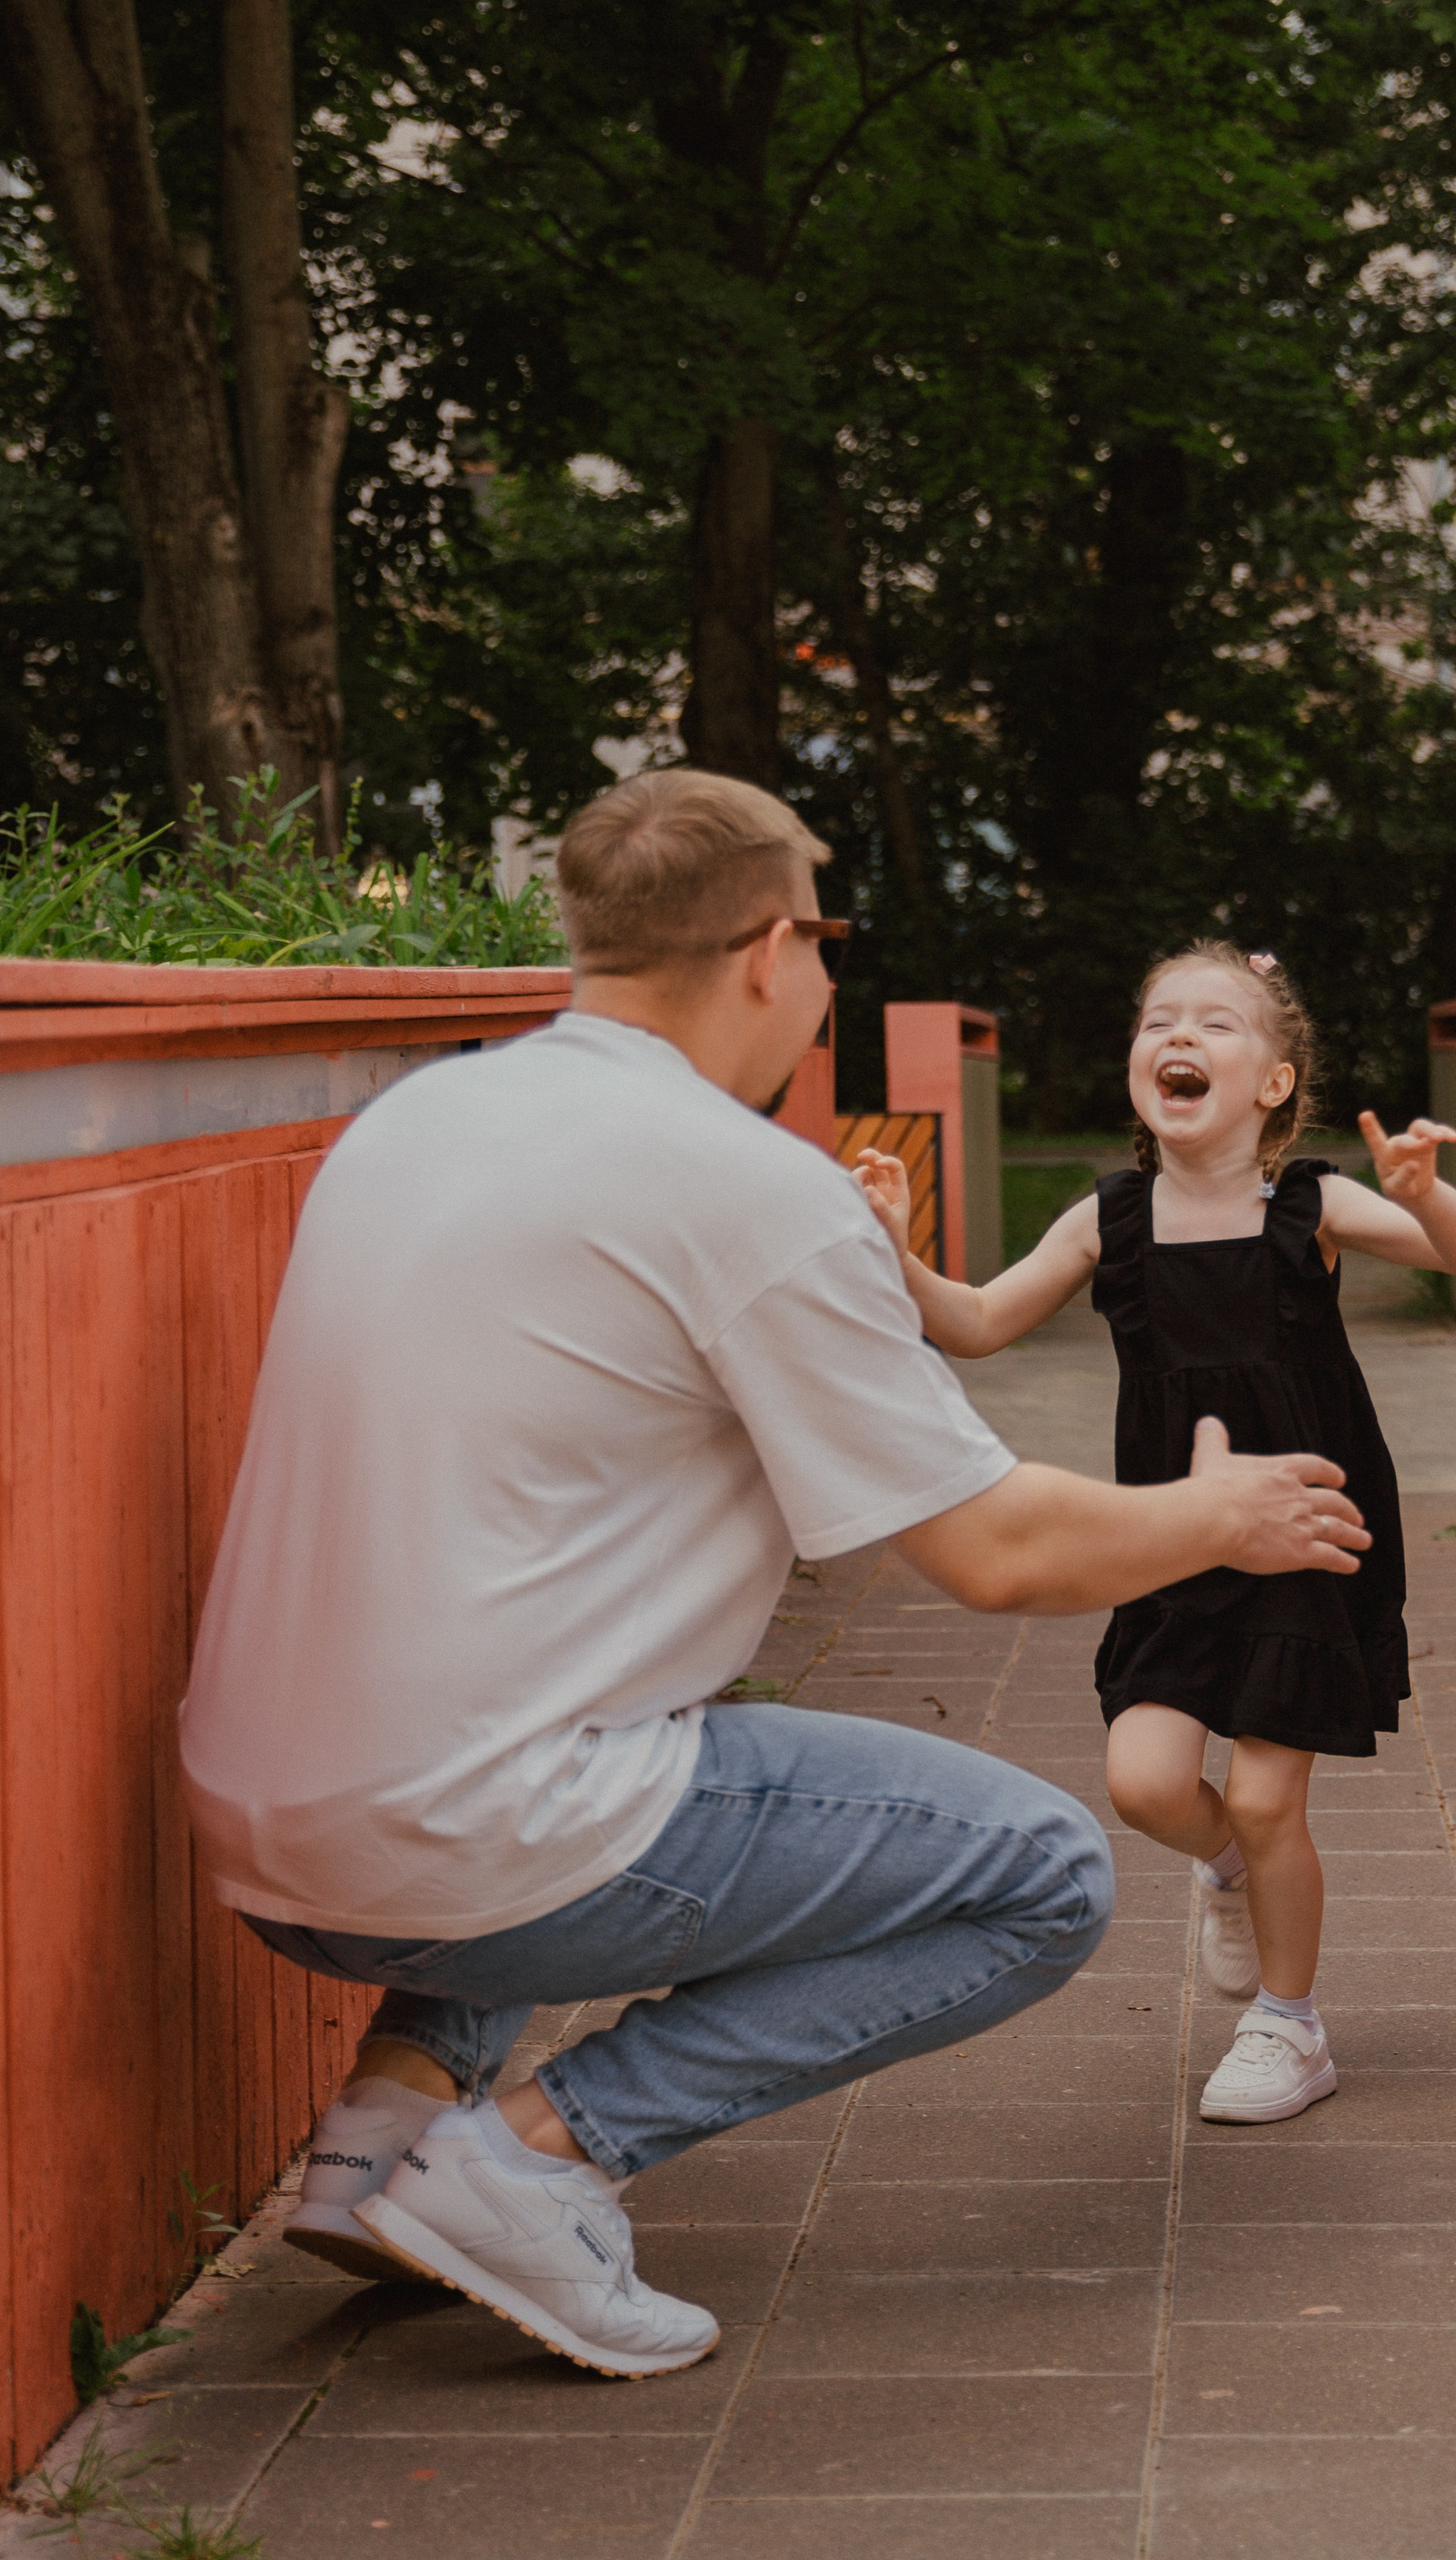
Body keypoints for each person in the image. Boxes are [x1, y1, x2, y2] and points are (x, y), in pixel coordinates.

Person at [179, 776, 1371, 2383]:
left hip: (260, 1835)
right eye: (824, 944)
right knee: (1036, 1874)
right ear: (767, 952)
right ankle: (524, 2162)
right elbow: (991, 1549)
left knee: (547, 1705)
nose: (823, 982)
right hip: (472, 1843)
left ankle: (376, 2133)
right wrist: (1213, 1516)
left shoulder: (416, 1116)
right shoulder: (745, 1186)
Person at [855, 942, 1456, 2124]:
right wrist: (898, 1257)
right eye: (1160, 1022)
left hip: (1305, 1527)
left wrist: (1422, 1195)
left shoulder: (1312, 1203)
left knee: (1265, 1794)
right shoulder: (1112, 1218)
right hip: (1171, 1539)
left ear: (1275, 1084)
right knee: (1146, 1782)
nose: (1179, 1038)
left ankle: (1291, 2028)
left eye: (1215, 1023)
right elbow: (983, 1321)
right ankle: (1232, 1874)